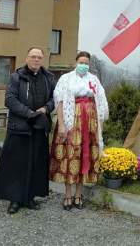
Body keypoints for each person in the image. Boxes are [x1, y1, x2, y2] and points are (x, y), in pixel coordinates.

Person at [0, 47, 56, 214]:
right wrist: (30, 114)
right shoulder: (16, 77)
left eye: (39, 57)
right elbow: (10, 100)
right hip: (20, 128)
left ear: (42, 60)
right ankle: (15, 199)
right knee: (17, 165)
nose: (36, 60)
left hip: (39, 128)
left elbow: (54, 99)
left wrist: (46, 109)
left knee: (36, 164)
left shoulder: (48, 78)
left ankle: (30, 197)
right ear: (27, 58)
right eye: (33, 56)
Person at [49, 51, 108, 210]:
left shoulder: (93, 79)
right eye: (81, 62)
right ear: (75, 62)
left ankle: (78, 195)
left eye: (86, 63)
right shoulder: (66, 78)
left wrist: (99, 127)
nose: (84, 65)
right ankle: (67, 194)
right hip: (71, 122)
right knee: (70, 156)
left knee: (84, 155)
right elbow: (60, 102)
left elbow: (101, 102)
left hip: (89, 123)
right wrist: (61, 124)